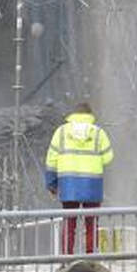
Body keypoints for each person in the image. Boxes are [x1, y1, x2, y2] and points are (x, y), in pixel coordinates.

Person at [45, 101, 114, 254]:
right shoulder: (98, 133)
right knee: (91, 224)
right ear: (90, 116)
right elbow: (108, 157)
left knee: (69, 224)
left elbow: (51, 161)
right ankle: (90, 258)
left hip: (68, 185)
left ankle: (66, 258)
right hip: (92, 185)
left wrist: (51, 184)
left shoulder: (61, 132)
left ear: (73, 115)